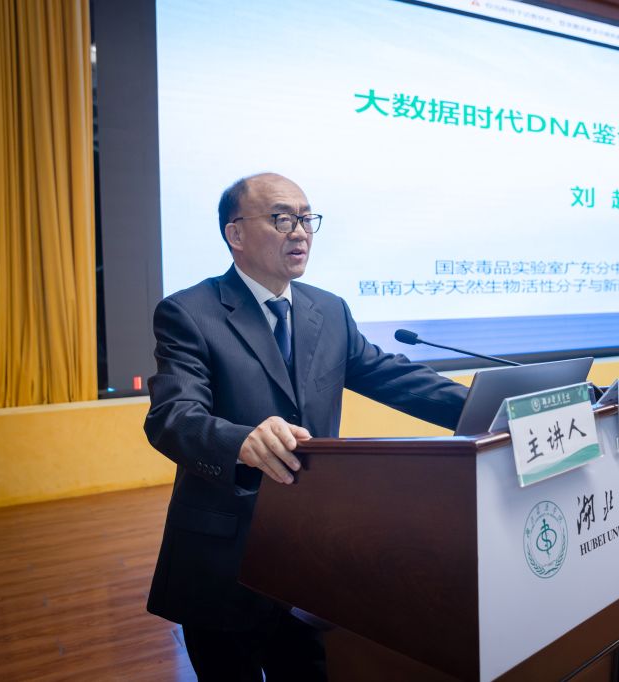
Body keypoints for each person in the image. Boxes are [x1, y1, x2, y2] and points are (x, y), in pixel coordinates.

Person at [143, 172, 468, 680]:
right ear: (235, 233)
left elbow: (395, 378)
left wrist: (493, 403)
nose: (299, 231)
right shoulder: (189, 312)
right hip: (224, 555)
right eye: (281, 218)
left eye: (306, 218)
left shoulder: (328, 310)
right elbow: (172, 416)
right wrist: (241, 441)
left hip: (311, 552)